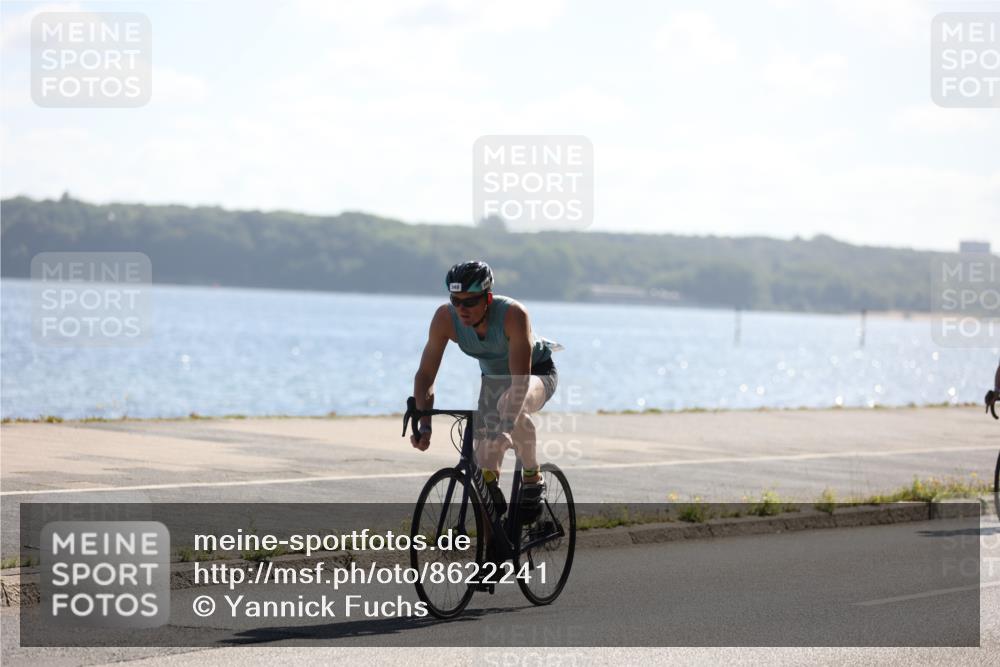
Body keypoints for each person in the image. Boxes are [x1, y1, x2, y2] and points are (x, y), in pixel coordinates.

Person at [410, 261, 559, 522]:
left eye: (470, 302)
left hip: (534, 373)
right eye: (455, 300)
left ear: (488, 298)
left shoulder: (513, 314)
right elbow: (425, 375)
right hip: (493, 381)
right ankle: (495, 552)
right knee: (484, 478)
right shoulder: (445, 318)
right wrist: (424, 423)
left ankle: (533, 479)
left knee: (507, 409)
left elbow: (519, 382)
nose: (461, 309)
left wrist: (504, 428)